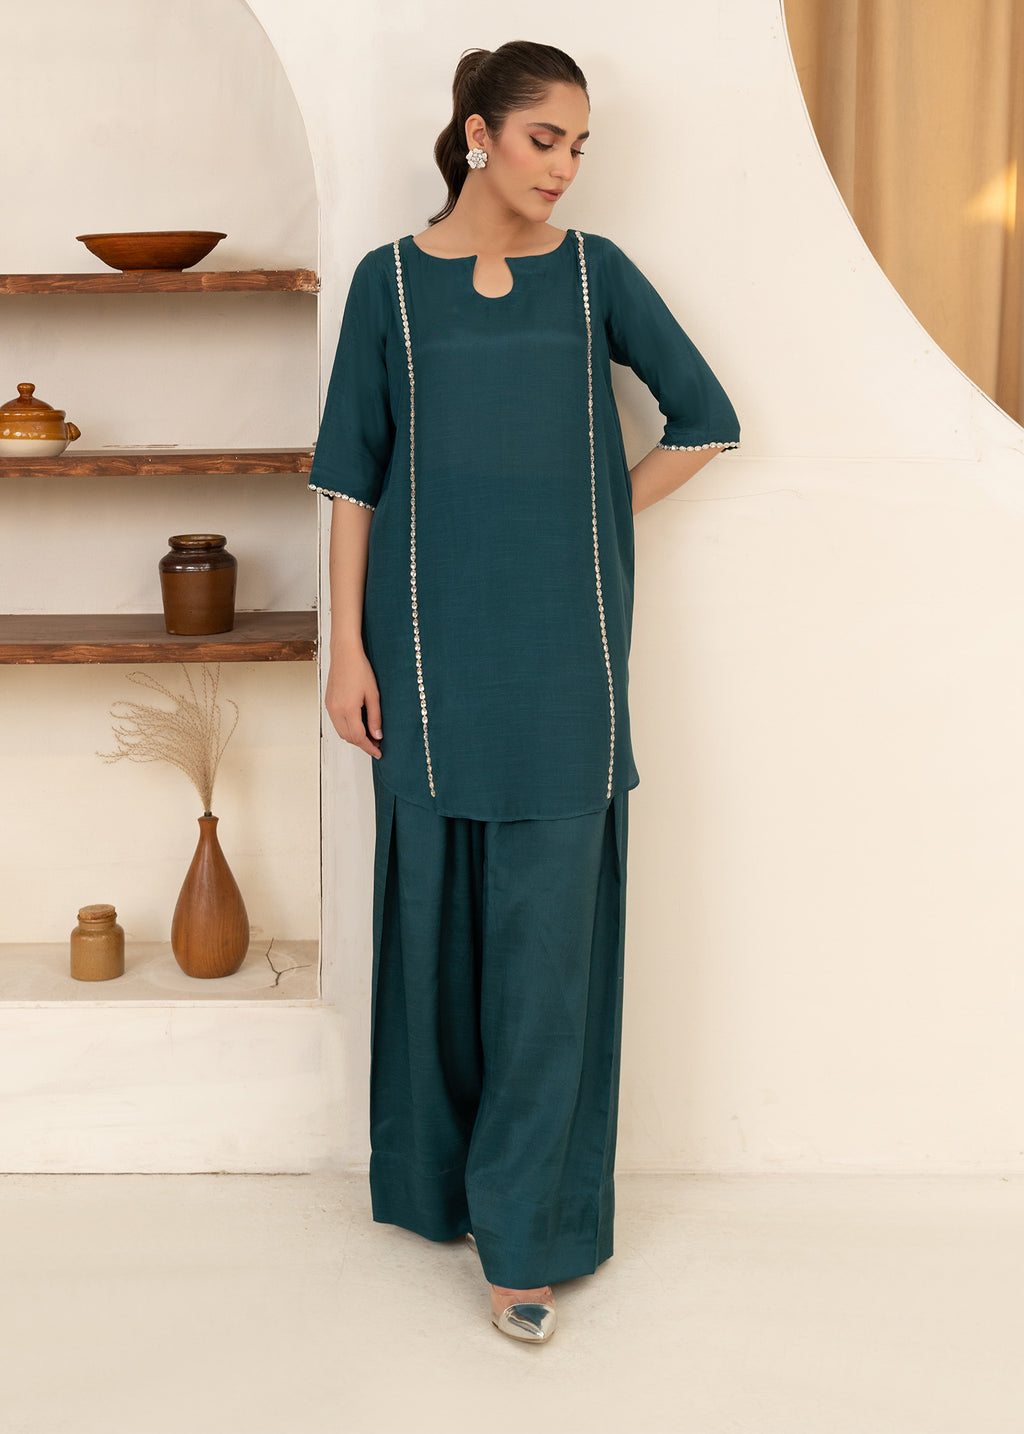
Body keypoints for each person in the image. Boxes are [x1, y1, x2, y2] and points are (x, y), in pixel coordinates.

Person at [308, 39, 740, 1344]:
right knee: (437, 948)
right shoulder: (388, 285)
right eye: (546, 138)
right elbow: (352, 478)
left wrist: (598, 510)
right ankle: (440, 1190)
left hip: (567, 667)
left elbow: (707, 419)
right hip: (425, 662)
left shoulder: (597, 276)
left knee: (548, 966)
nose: (565, 166)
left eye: (579, 146)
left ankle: (527, 1239)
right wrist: (346, 649)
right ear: (479, 136)